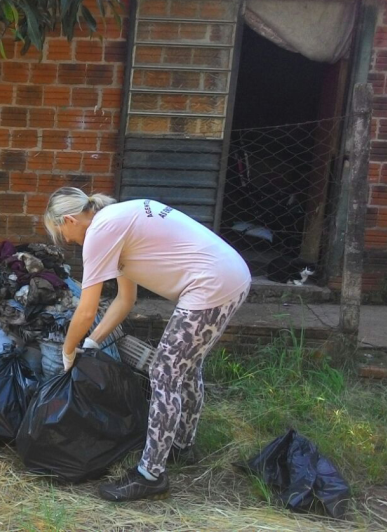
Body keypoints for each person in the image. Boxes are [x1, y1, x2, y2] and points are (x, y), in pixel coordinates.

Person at [44, 188, 251, 502]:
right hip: (229, 276)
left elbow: (87, 309)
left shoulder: (100, 230)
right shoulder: (116, 221)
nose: (67, 241)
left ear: (70, 219)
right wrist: (90, 343)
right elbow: (126, 300)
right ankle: (181, 444)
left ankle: (150, 475)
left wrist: (68, 350)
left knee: (165, 374)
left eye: (63, 233)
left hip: (212, 284)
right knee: (185, 367)